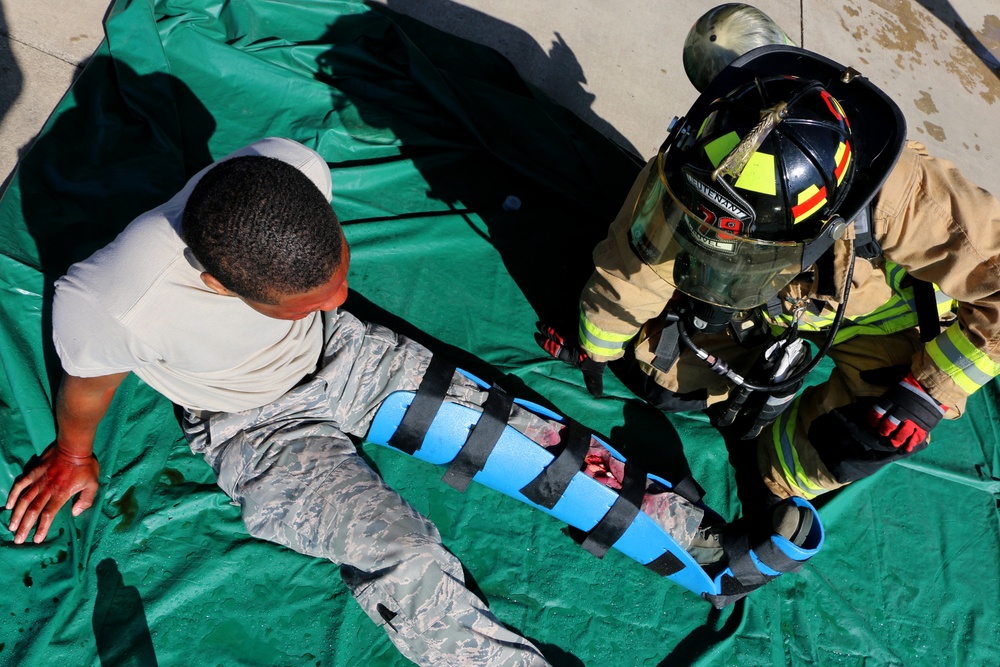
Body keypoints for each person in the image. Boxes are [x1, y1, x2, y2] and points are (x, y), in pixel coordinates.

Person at [3, 137, 820, 665]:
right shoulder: (112, 298)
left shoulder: (287, 167)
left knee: (526, 436)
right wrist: (75, 451)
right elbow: (89, 376)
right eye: (307, 294)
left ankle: (706, 551)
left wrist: (326, 317)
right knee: (403, 557)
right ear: (217, 284)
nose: (338, 293)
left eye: (339, 275)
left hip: (348, 360)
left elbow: (329, 303)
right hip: (250, 427)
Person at [537, 37, 1000, 513]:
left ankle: (771, 483)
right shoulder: (705, 153)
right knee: (662, 380)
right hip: (779, 304)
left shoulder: (911, 198)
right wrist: (598, 341)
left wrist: (928, 388)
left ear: (820, 221)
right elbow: (639, 261)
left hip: (885, 320)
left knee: (874, 428)